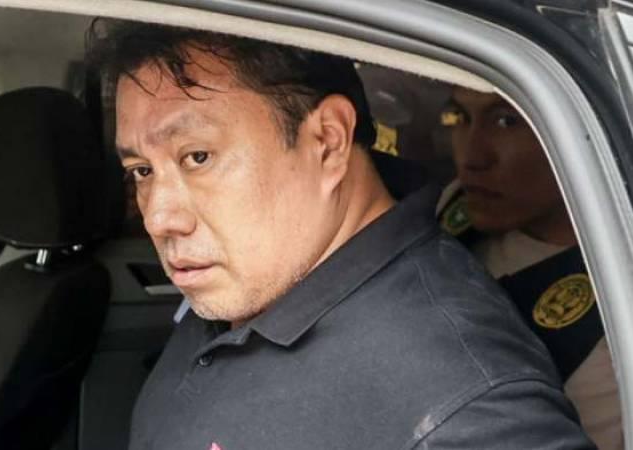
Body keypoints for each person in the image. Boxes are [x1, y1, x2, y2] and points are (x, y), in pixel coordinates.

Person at [88, 22, 595, 450]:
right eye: (142, 170)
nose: (159, 218)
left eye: (197, 157)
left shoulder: (468, 410)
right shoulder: (257, 273)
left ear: (328, 142)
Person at [438, 87, 622, 450]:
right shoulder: (458, 204)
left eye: (507, 121)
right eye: (460, 118)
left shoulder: (618, 322)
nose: (472, 157)